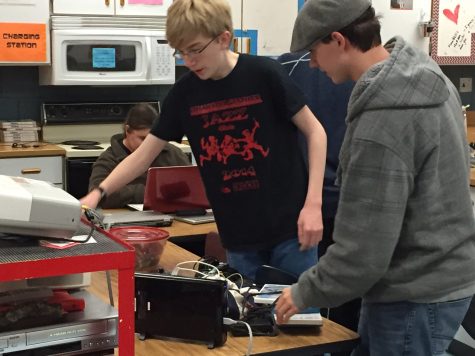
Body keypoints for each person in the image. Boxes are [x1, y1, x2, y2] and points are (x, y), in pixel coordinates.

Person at [275, 0, 475, 355]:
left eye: (313, 52)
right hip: (448, 280)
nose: (311, 64)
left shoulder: (382, 120)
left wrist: (303, 291)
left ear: (338, 40)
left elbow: (363, 251)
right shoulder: (429, 78)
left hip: (411, 294)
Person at [80, 0, 327, 281]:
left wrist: (313, 205)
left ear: (224, 38)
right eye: (181, 52)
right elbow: (142, 156)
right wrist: (98, 193)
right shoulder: (185, 94)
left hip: (292, 231)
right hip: (238, 238)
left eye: (195, 50)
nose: (189, 61)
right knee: (244, 322)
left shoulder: (265, 75)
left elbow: (316, 132)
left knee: (299, 322)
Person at [278, 52, 361, 342]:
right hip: (350, 200)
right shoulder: (362, 71)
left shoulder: (283, 68)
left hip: (303, 206)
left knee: (304, 314)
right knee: (350, 299)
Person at [87, 103, 190, 208]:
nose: (149, 144)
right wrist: (152, 192)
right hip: (125, 220)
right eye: (143, 138)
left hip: (174, 217)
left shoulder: (174, 154)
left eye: (153, 138)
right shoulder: (109, 159)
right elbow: (97, 195)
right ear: (127, 130)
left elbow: (194, 186)